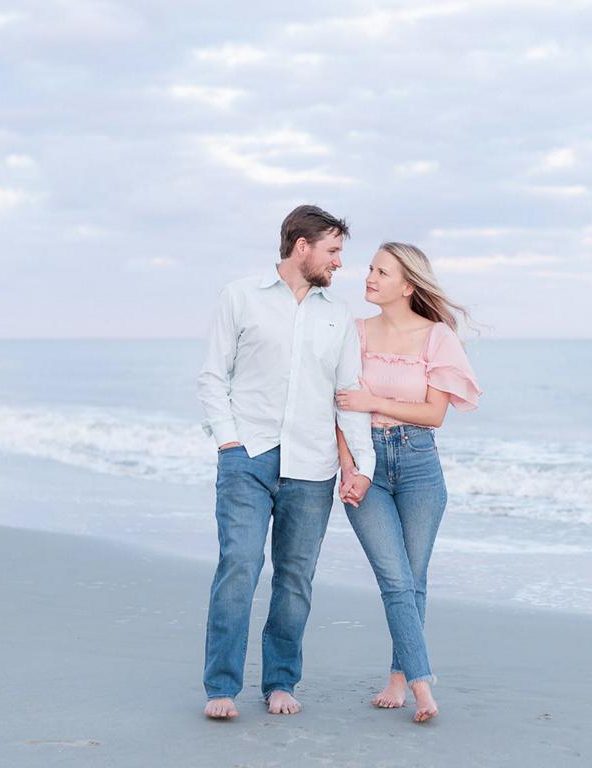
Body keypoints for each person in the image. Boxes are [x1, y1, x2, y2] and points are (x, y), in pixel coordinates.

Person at [196, 205, 376, 720]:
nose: (341, 263)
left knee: (295, 578)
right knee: (240, 566)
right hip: (247, 457)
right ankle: (222, 687)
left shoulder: (336, 315)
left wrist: (358, 463)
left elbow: (348, 394)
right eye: (334, 250)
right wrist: (229, 441)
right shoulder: (241, 296)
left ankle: (279, 681)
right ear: (303, 246)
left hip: (312, 465)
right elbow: (213, 376)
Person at [334, 242, 481, 723]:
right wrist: (349, 468)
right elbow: (339, 408)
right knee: (395, 580)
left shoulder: (437, 337)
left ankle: (399, 677)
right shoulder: (353, 333)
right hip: (367, 465)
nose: (369, 277)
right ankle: (422, 686)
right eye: (371, 269)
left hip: (419, 463)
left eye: (382, 271)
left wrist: (373, 399)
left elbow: (434, 414)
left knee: (413, 580)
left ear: (408, 284)